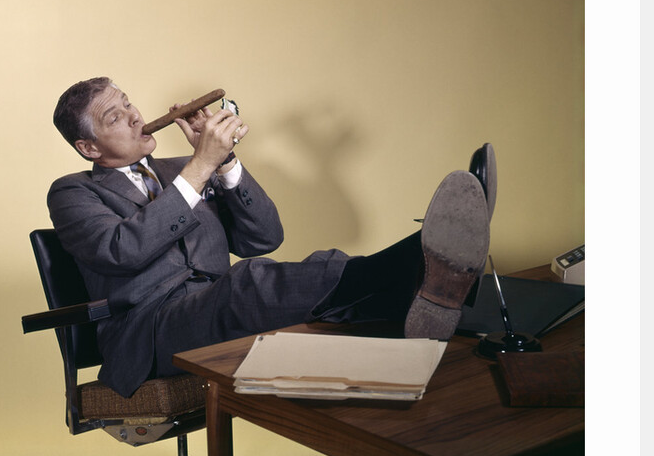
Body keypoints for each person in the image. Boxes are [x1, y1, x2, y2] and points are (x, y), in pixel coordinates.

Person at [49, 77, 492, 398]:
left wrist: (225, 164)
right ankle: (422, 260)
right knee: (248, 283)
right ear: (90, 148)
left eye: (129, 104)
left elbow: (264, 237)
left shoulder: (180, 171)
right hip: (152, 334)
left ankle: (417, 297)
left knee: (318, 264)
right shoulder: (73, 192)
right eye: (115, 116)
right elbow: (121, 251)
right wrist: (202, 165)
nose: (135, 116)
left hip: (217, 308)